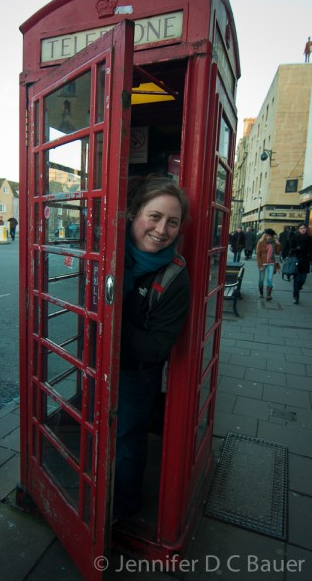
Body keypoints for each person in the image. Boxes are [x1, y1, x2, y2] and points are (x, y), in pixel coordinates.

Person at [114, 174, 191, 520]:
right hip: (97, 363)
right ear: (134, 213)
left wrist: (111, 323)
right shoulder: (110, 254)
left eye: (173, 222)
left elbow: (156, 346)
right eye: (155, 216)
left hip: (135, 375)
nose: (162, 230)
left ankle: (123, 509)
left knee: (128, 441)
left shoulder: (175, 278)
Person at [289, 223, 312, 305]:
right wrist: (296, 249)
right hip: (297, 260)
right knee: (297, 279)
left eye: (304, 228)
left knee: (303, 279)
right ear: (298, 229)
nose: (303, 229)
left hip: (305, 261)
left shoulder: (309, 238)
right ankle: (296, 296)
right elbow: (290, 249)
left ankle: (298, 288)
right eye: (301, 228)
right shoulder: (294, 238)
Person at [256, 228, 281, 300]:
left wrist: (278, 244)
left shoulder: (274, 242)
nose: (269, 237)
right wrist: (260, 265)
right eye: (267, 236)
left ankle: (268, 295)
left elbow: (277, 253)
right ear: (265, 235)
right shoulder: (261, 242)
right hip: (263, 263)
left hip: (271, 263)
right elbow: (258, 254)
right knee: (261, 279)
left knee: (270, 279)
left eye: (270, 236)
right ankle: (261, 293)